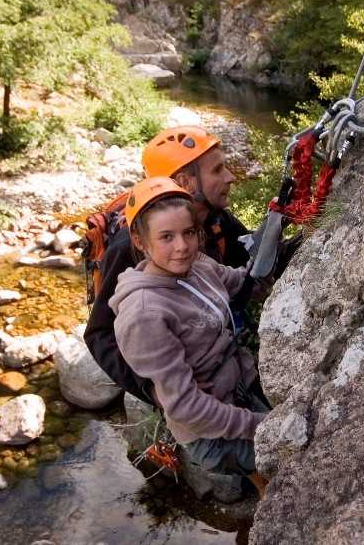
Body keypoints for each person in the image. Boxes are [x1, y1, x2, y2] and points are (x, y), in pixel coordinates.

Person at [110, 177, 269, 497]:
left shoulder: (197, 265)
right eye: (166, 237)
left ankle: (261, 483)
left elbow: (239, 283)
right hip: (208, 430)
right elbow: (185, 407)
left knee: (277, 466)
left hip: (237, 388)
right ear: (140, 241)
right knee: (284, 466)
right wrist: (259, 425)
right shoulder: (144, 314)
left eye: (188, 233)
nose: (182, 246)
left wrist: (272, 256)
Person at [83, 126, 253, 407]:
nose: (230, 177)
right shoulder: (131, 247)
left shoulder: (215, 220)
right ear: (186, 182)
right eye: (217, 170)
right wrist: (154, 392)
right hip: (177, 380)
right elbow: (99, 334)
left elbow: (248, 264)